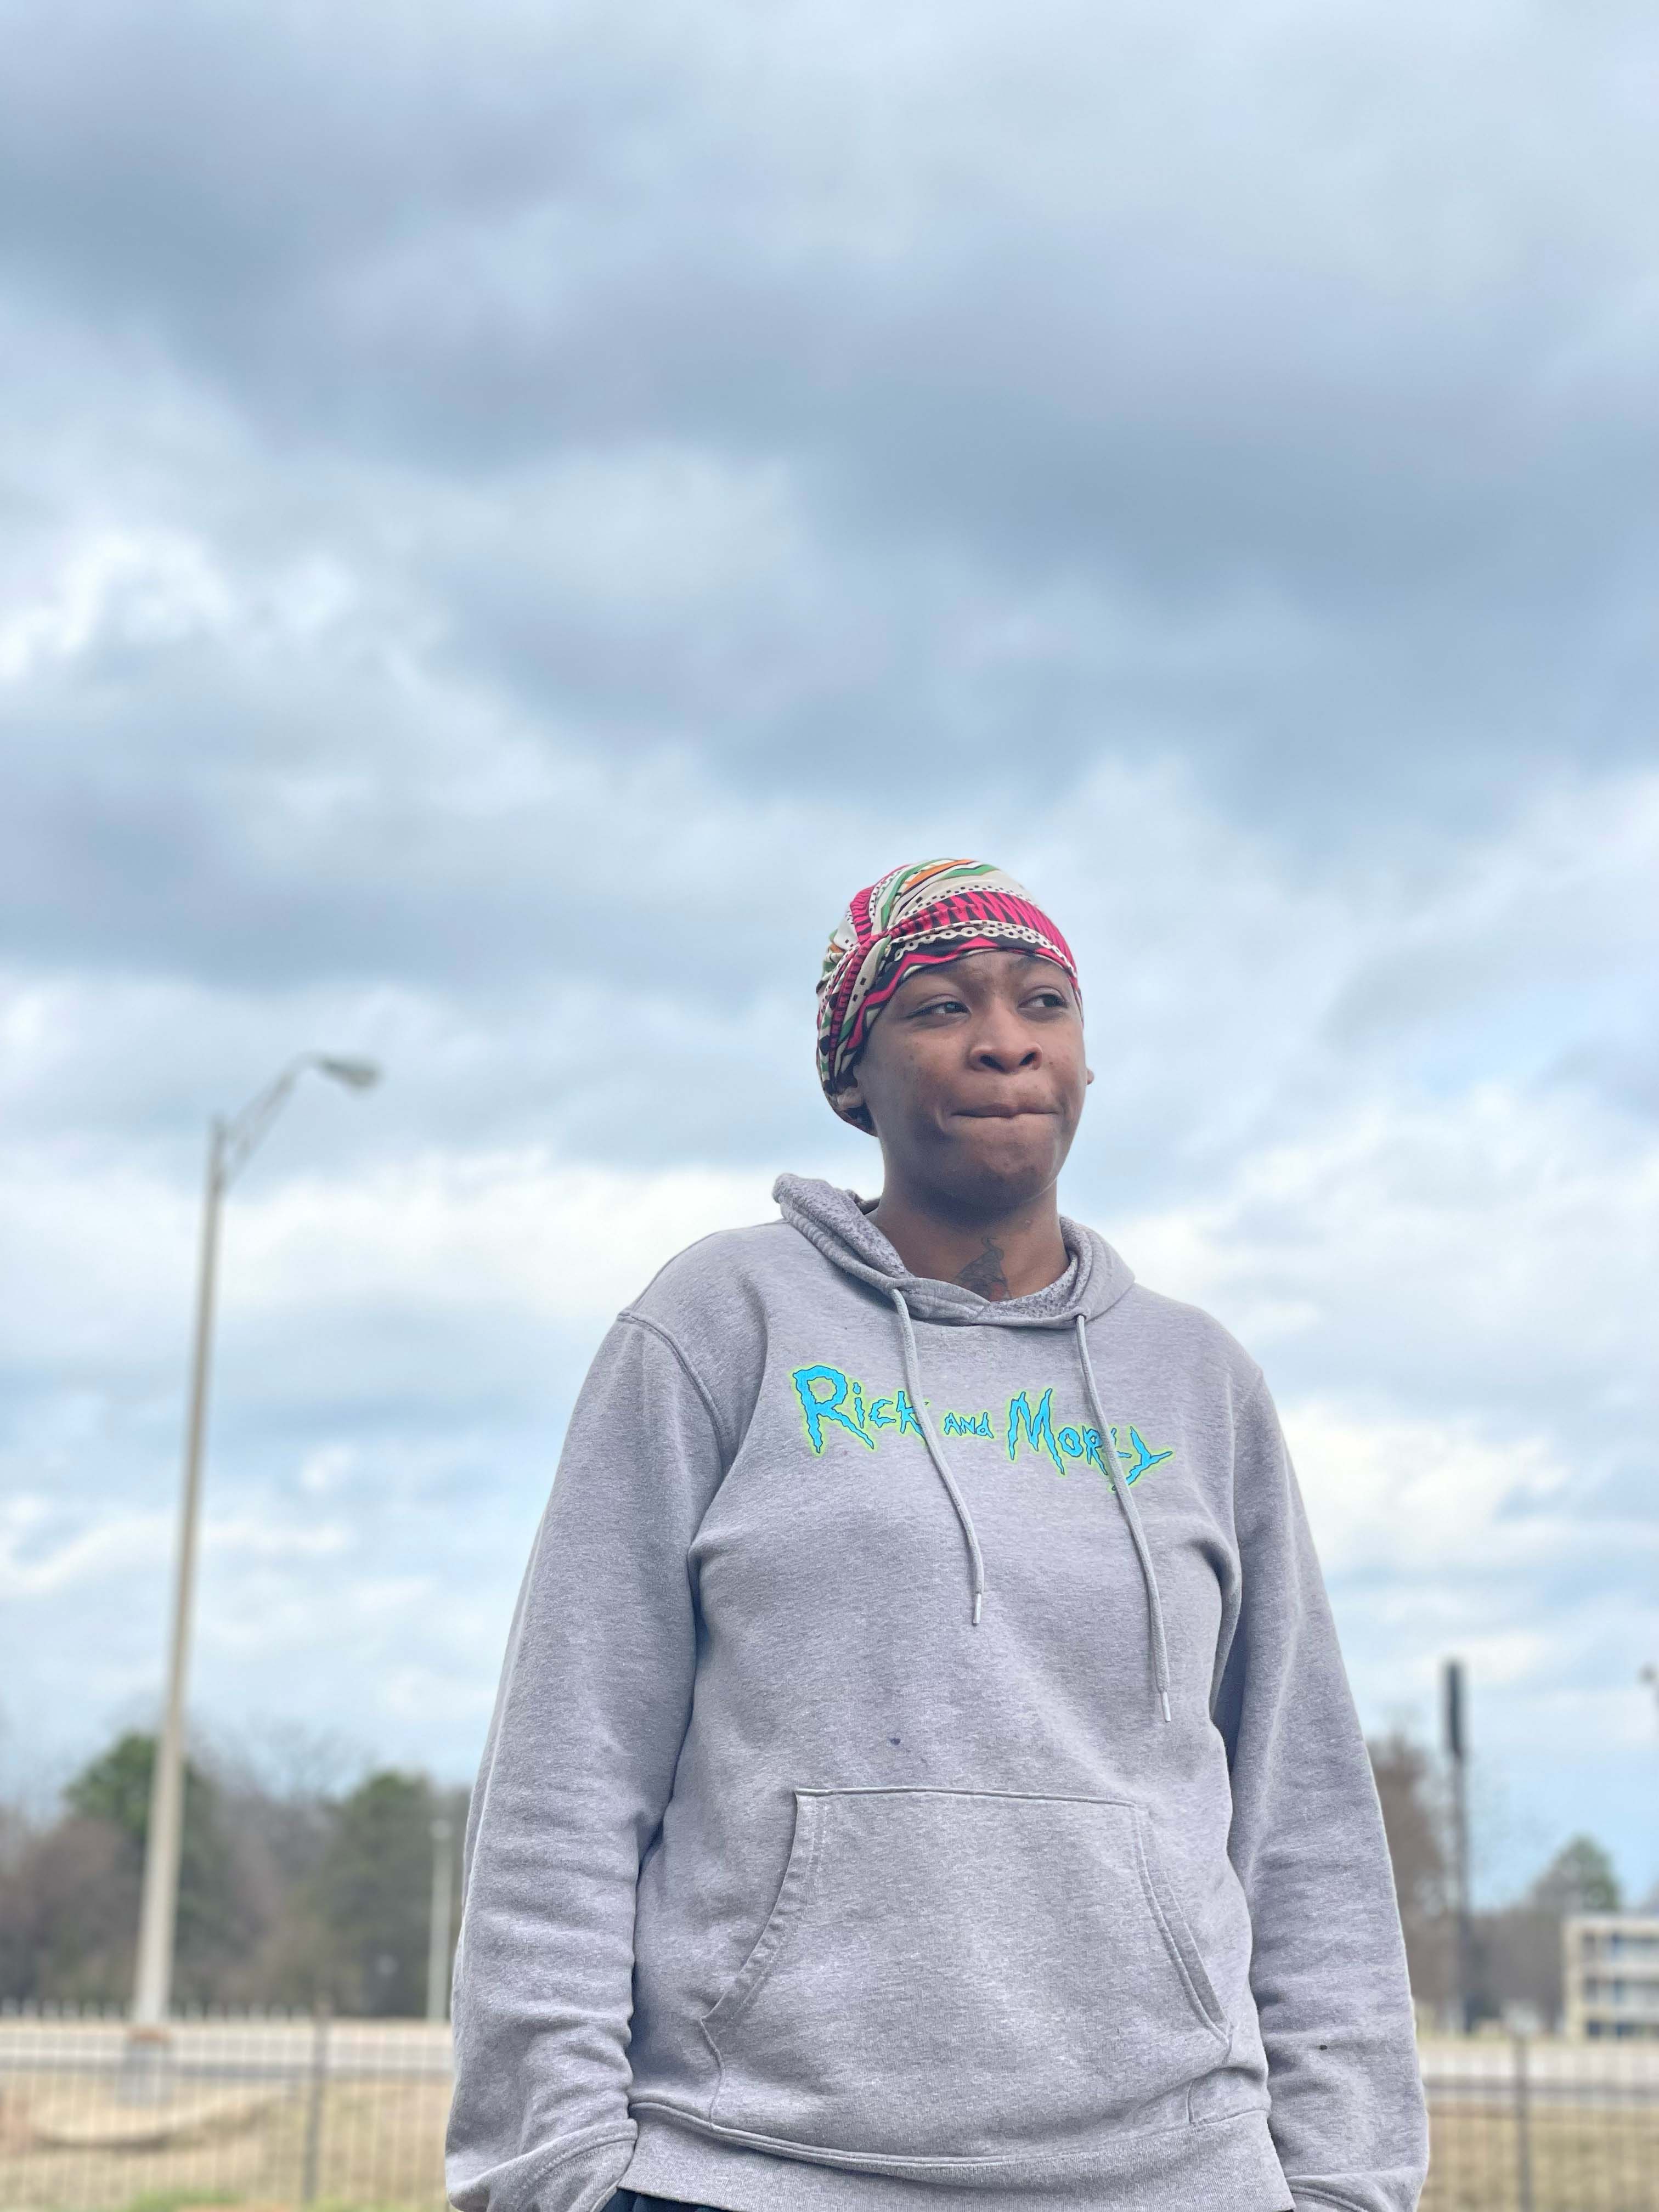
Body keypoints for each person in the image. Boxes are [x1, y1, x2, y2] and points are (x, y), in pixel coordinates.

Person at [447, 857, 1429, 2212]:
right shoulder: (720, 1323)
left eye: (1044, 1001)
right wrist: (546, 2174)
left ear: (1083, 1058)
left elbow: (1303, 1814)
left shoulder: (1199, 1382)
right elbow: (567, 1771)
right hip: (752, 2172)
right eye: (935, 1004)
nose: (1005, 1037)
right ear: (852, 1074)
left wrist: (1349, 2183)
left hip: (1175, 2173)